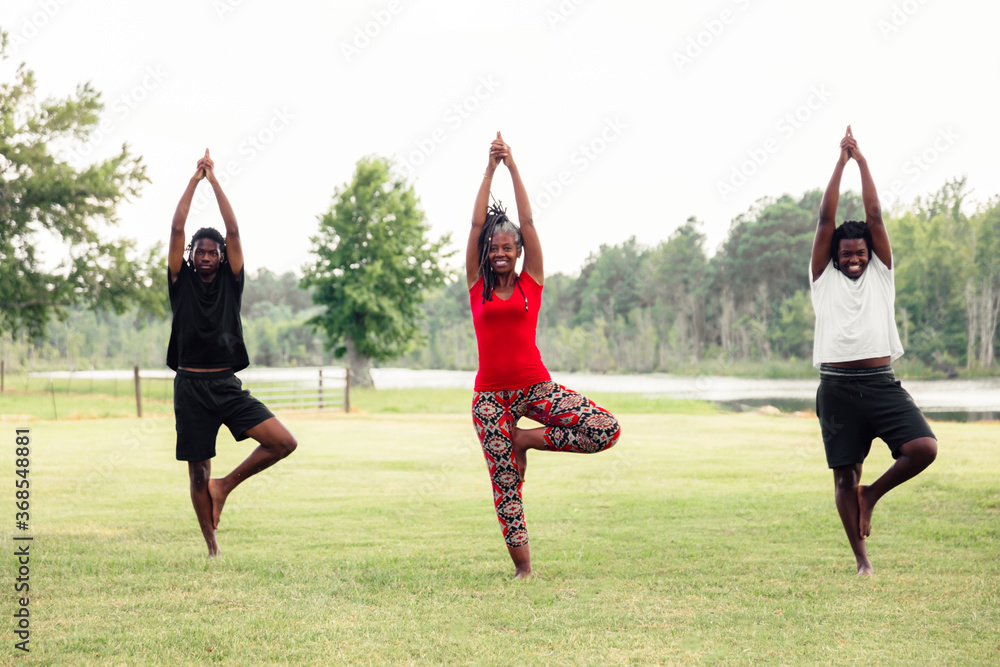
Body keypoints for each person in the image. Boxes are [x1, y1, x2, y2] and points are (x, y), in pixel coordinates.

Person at [466, 132, 622, 579]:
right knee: (505, 483)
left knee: (605, 429)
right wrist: (488, 169)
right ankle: (524, 569)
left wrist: (512, 167)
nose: (499, 251)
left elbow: (529, 222)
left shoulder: (531, 282)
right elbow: (476, 226)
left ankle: (524, 439)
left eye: (507, 247)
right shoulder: (477, 288)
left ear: (518, 253)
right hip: (490, 401)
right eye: (493, 247)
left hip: (537, 389)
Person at [810, 126, 937, 575]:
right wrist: (838, 163)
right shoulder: (823, 278)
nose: (853, 259)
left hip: (881, 384)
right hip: (837, 389)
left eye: (859, 253)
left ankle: (872, 495)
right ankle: (862, 562)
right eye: (846, 254)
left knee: (922, 448)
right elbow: (825, 221)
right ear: (835, 255)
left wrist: (861, 161)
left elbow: (876, 215)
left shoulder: (882, 274)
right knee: (845, 475)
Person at [167, 149, 297, 557]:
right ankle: (212, 548)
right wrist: (194, 179)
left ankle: (225, 486)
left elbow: (234, 230)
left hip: (225, 383)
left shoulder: (231, 281)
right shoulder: (179, 281)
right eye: (199, 252)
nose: (205, 257)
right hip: (190, 385)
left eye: (212, 252)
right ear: (190, 255)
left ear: (221, 257)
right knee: (196, 472)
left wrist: (215, 180)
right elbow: (175, 227)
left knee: (283, 442)